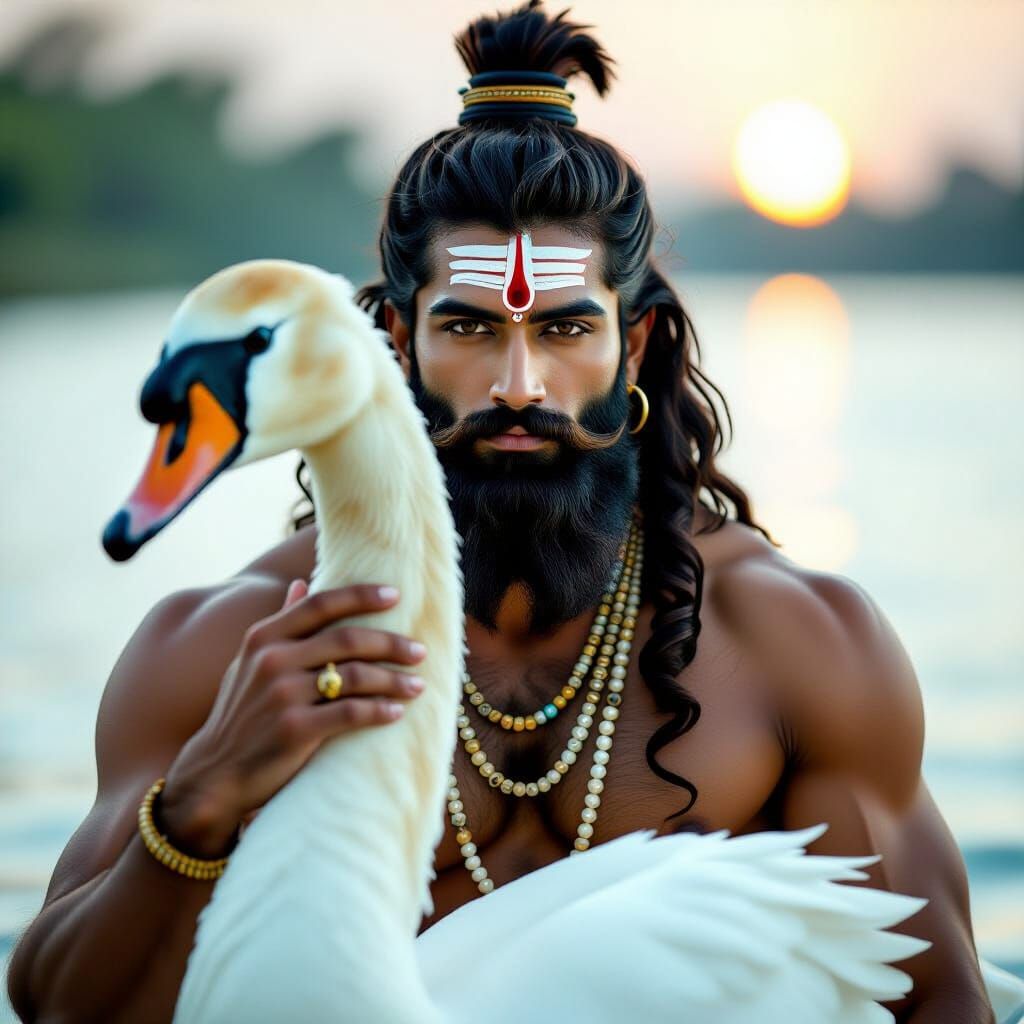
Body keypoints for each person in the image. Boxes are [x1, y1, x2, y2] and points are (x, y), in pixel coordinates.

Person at [6, 1, 998, 1021]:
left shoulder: (798, 640)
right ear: (396, 338)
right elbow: (57, 1008)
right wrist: (209, 791)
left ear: (638, 343)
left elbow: (942, 999)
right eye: (470, 327)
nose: (518, 383)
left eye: (565, 326)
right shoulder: (229, 646)